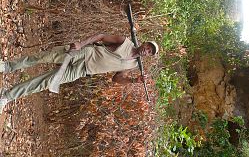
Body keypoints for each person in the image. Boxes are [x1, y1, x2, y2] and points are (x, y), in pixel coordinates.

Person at [0, 33, 159, 114]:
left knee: (45, 83)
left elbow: (116, 79)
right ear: (144, 43)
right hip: (83, 53)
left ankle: (7, 96)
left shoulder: (133, 65)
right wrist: (81, 43)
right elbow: (102, 36)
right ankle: (7, 66)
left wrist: (134, 81)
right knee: (43, 57)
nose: (147, 50)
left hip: (83, 71)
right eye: (148, 47)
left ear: (149, 56)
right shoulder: (125, 42)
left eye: (150, 52)